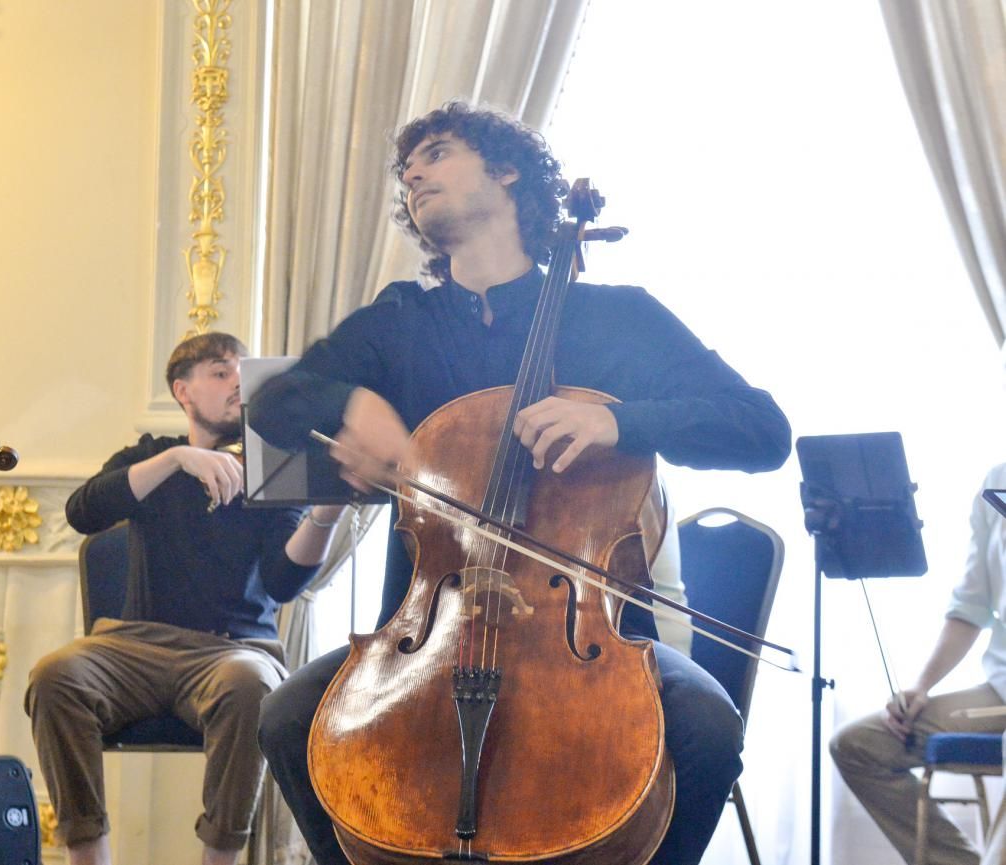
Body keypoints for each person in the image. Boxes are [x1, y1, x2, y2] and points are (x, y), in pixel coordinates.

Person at [250, 101, 792, 865]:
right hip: (427, 631)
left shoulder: (616, 319)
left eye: (435, 154)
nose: (413, 176)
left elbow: (762, 430)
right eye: (406, 172)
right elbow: (273, 402)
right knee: (286, 716)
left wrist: (619, 423)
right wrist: (349, 401)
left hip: (588, 637)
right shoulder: (401, 320)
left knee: (707, 724)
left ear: (507, 172)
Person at [24, 332, 346, 865]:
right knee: (54, 675)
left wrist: (326, 514)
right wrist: (178, 459)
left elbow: (286, 581)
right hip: (133, 646)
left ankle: (218, 859)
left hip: (232, 651)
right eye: (221, 371)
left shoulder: (272, 467)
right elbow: (83, 512)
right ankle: (88, 856)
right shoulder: (152, 455)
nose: (237, 382)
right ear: (183, 390)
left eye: (243, 372)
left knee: (253, 686)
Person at [832, 463, 1006, 865]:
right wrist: (921, 686)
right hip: (999, 690)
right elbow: (970, 607)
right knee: (860, 745)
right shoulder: (997, 483)